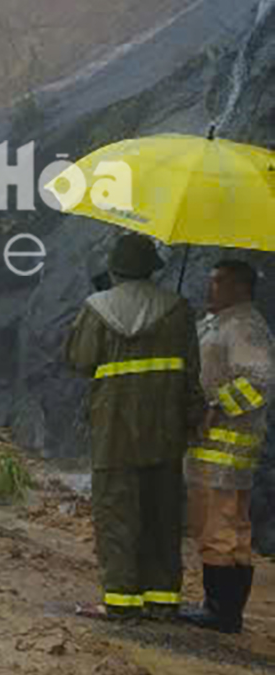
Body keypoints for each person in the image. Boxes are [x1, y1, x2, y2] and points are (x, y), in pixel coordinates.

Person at [63, 229, 205, 618]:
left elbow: (78, 358)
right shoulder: (177, 309)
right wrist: (194, 419)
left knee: (117, 512)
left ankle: (121, 601)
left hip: (114, 430)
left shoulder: (97, 308)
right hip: (165, 428)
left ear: (115, 269)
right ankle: (162, 601)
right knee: (162, 512)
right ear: (152, 270)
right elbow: (192, 372)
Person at [181, 257, 271, 633]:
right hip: (217, 451)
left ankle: (219, 610)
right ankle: (224, 609)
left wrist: (217, 407)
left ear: (240, 287)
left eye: (218, 282)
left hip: (224, 450)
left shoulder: (243, 325)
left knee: (217, 525)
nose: (209, 287)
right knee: (232, 528)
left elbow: (261, 379)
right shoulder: (224, 322)